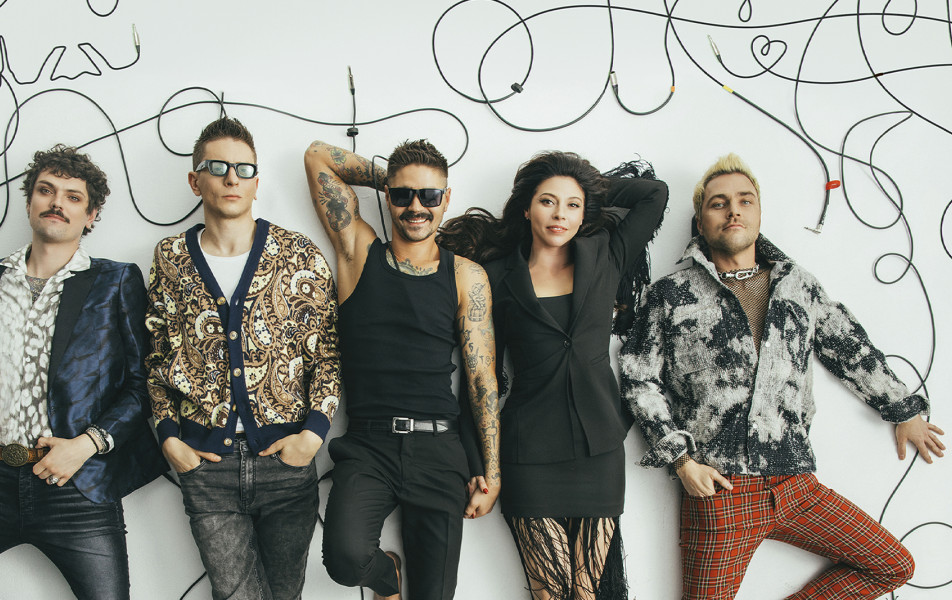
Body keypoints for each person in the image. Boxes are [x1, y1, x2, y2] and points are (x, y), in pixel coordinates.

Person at [620, 153, 947, 600]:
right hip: (720, 491)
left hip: (795, 482)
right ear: (700, 220)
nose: (733, 211)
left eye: (744, 200)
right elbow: (639, 378)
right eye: (718, 203)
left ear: (759, 212)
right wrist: (681, 460)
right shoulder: (670, 294)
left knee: (891, 565)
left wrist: (903, 410)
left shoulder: (798, 286)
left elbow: (848, 346)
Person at [0, 145, 167, 600]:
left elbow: (143, 385)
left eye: (73, 197)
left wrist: (86, 444)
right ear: (29, 202)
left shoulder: (115, 280)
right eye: (46, 190)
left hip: (75, 485)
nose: (57, 202)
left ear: (91, 215)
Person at [438, 152, 668, 599]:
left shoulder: (606, 253)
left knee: (585, 593)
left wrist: (585, 185)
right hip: (528, 454)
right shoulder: (496, 278)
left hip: (599, 450)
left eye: (572, 205)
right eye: (547, 201)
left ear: (584, 213)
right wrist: (478, 467)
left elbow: (653, 194)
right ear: (527, 208)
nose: (560, 214)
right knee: (551, 594)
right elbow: (480, 378)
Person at [146, 117, 340, 600]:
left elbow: (327, 354)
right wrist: (169, 438)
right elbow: (157, 357)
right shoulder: (171, 258)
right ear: (195, 180)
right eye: (217, 167)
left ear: (256, 182)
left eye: (244, 168)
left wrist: (313, 435)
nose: (231, 178)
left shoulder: (297, 254)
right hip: (206, 468)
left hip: (286, 465)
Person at [304, 139, 501, 600]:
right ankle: (387, 575)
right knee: (345, 558)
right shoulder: (358, 253)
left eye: (429, 196)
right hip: (369, 446)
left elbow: (482, 379)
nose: (416, 207)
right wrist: (390, 179)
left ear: (446, 199)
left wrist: (491, 473)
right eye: (403, 195)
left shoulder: (466, 276)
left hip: (439, 450)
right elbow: (317, 156)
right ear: (389, 196)